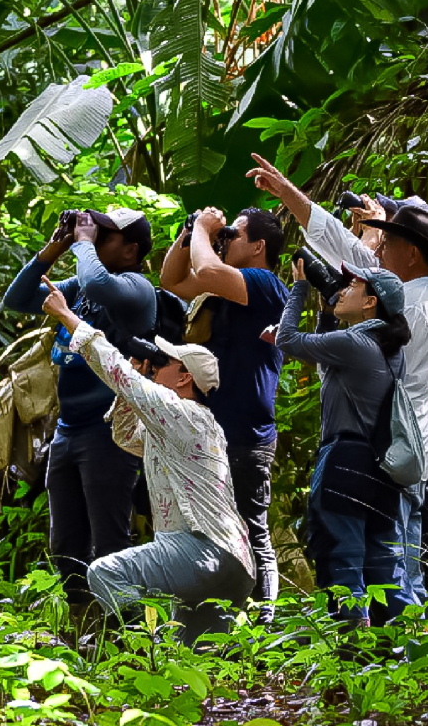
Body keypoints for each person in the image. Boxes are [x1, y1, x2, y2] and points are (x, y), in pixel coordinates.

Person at [247, 154, 428, 605]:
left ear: (413, 253)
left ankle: (406, 650)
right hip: (390, 447)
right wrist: (288, 193)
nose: (378, 248)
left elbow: (358, 271)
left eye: (390, 240)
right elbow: (349, 252)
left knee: (386, 564)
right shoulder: (407, 296)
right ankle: (398, 654)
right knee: (385, 562)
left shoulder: (412, 306)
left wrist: (308, 301)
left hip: (389, 446)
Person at [39, 276, 255, 646]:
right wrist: (137, 382)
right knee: (198, 660)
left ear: (185, 377)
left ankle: (138, 648)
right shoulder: (186, 427)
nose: (155, 369)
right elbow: (125, 435)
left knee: (105, 573)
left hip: (202, 548)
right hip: (233, 563)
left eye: (163, 363)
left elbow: (117, 374)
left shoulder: (182, 413)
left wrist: (67, 317)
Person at [2, 208, 156, 607]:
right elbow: (16, 299)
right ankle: (82, 628)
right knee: (66, 544)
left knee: (110, 544)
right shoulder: (82, 288)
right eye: (93, 235)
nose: (93, 241)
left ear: (130, 250)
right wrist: (57, 245)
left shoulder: (136, 288)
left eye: (104, 237)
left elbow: (98, 283)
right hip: (69, 430)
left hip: (109, 433)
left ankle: (128, 637)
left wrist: (84, 244)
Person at [159, 206, 288, 621]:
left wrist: (202, 229)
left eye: (234, 235)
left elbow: (209, 273)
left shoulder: (266, 284)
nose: (226, 240)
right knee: (216, 530)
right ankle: (226, 618)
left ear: (258, 246)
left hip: (247, 431)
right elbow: (172, 280)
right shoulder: (227, 290)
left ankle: (264, 623)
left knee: (252, 527)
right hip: (214, 428)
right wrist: (188, 235)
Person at [275, 259, 415, 625]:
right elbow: (329, 370)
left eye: (353, 286)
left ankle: (352, 651)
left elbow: (286, 339)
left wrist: (300, 286)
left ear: (370, 302)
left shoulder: (355, 343)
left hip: (345, 462)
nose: (343, 289)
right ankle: (397, 655)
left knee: (343, 561)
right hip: (381, 468)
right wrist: (328, 314)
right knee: (384, 567)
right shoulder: (388, 349)